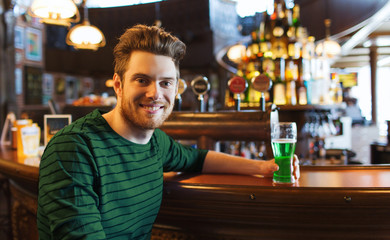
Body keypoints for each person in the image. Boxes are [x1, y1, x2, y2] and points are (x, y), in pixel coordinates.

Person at [37, 24, 300, 240]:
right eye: (142, 80)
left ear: (175, 90)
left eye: (165, 83)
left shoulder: (155, 144)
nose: (155, 94)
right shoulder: (74, 148)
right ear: (118, 85)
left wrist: (265, 167)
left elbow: (199, 159)